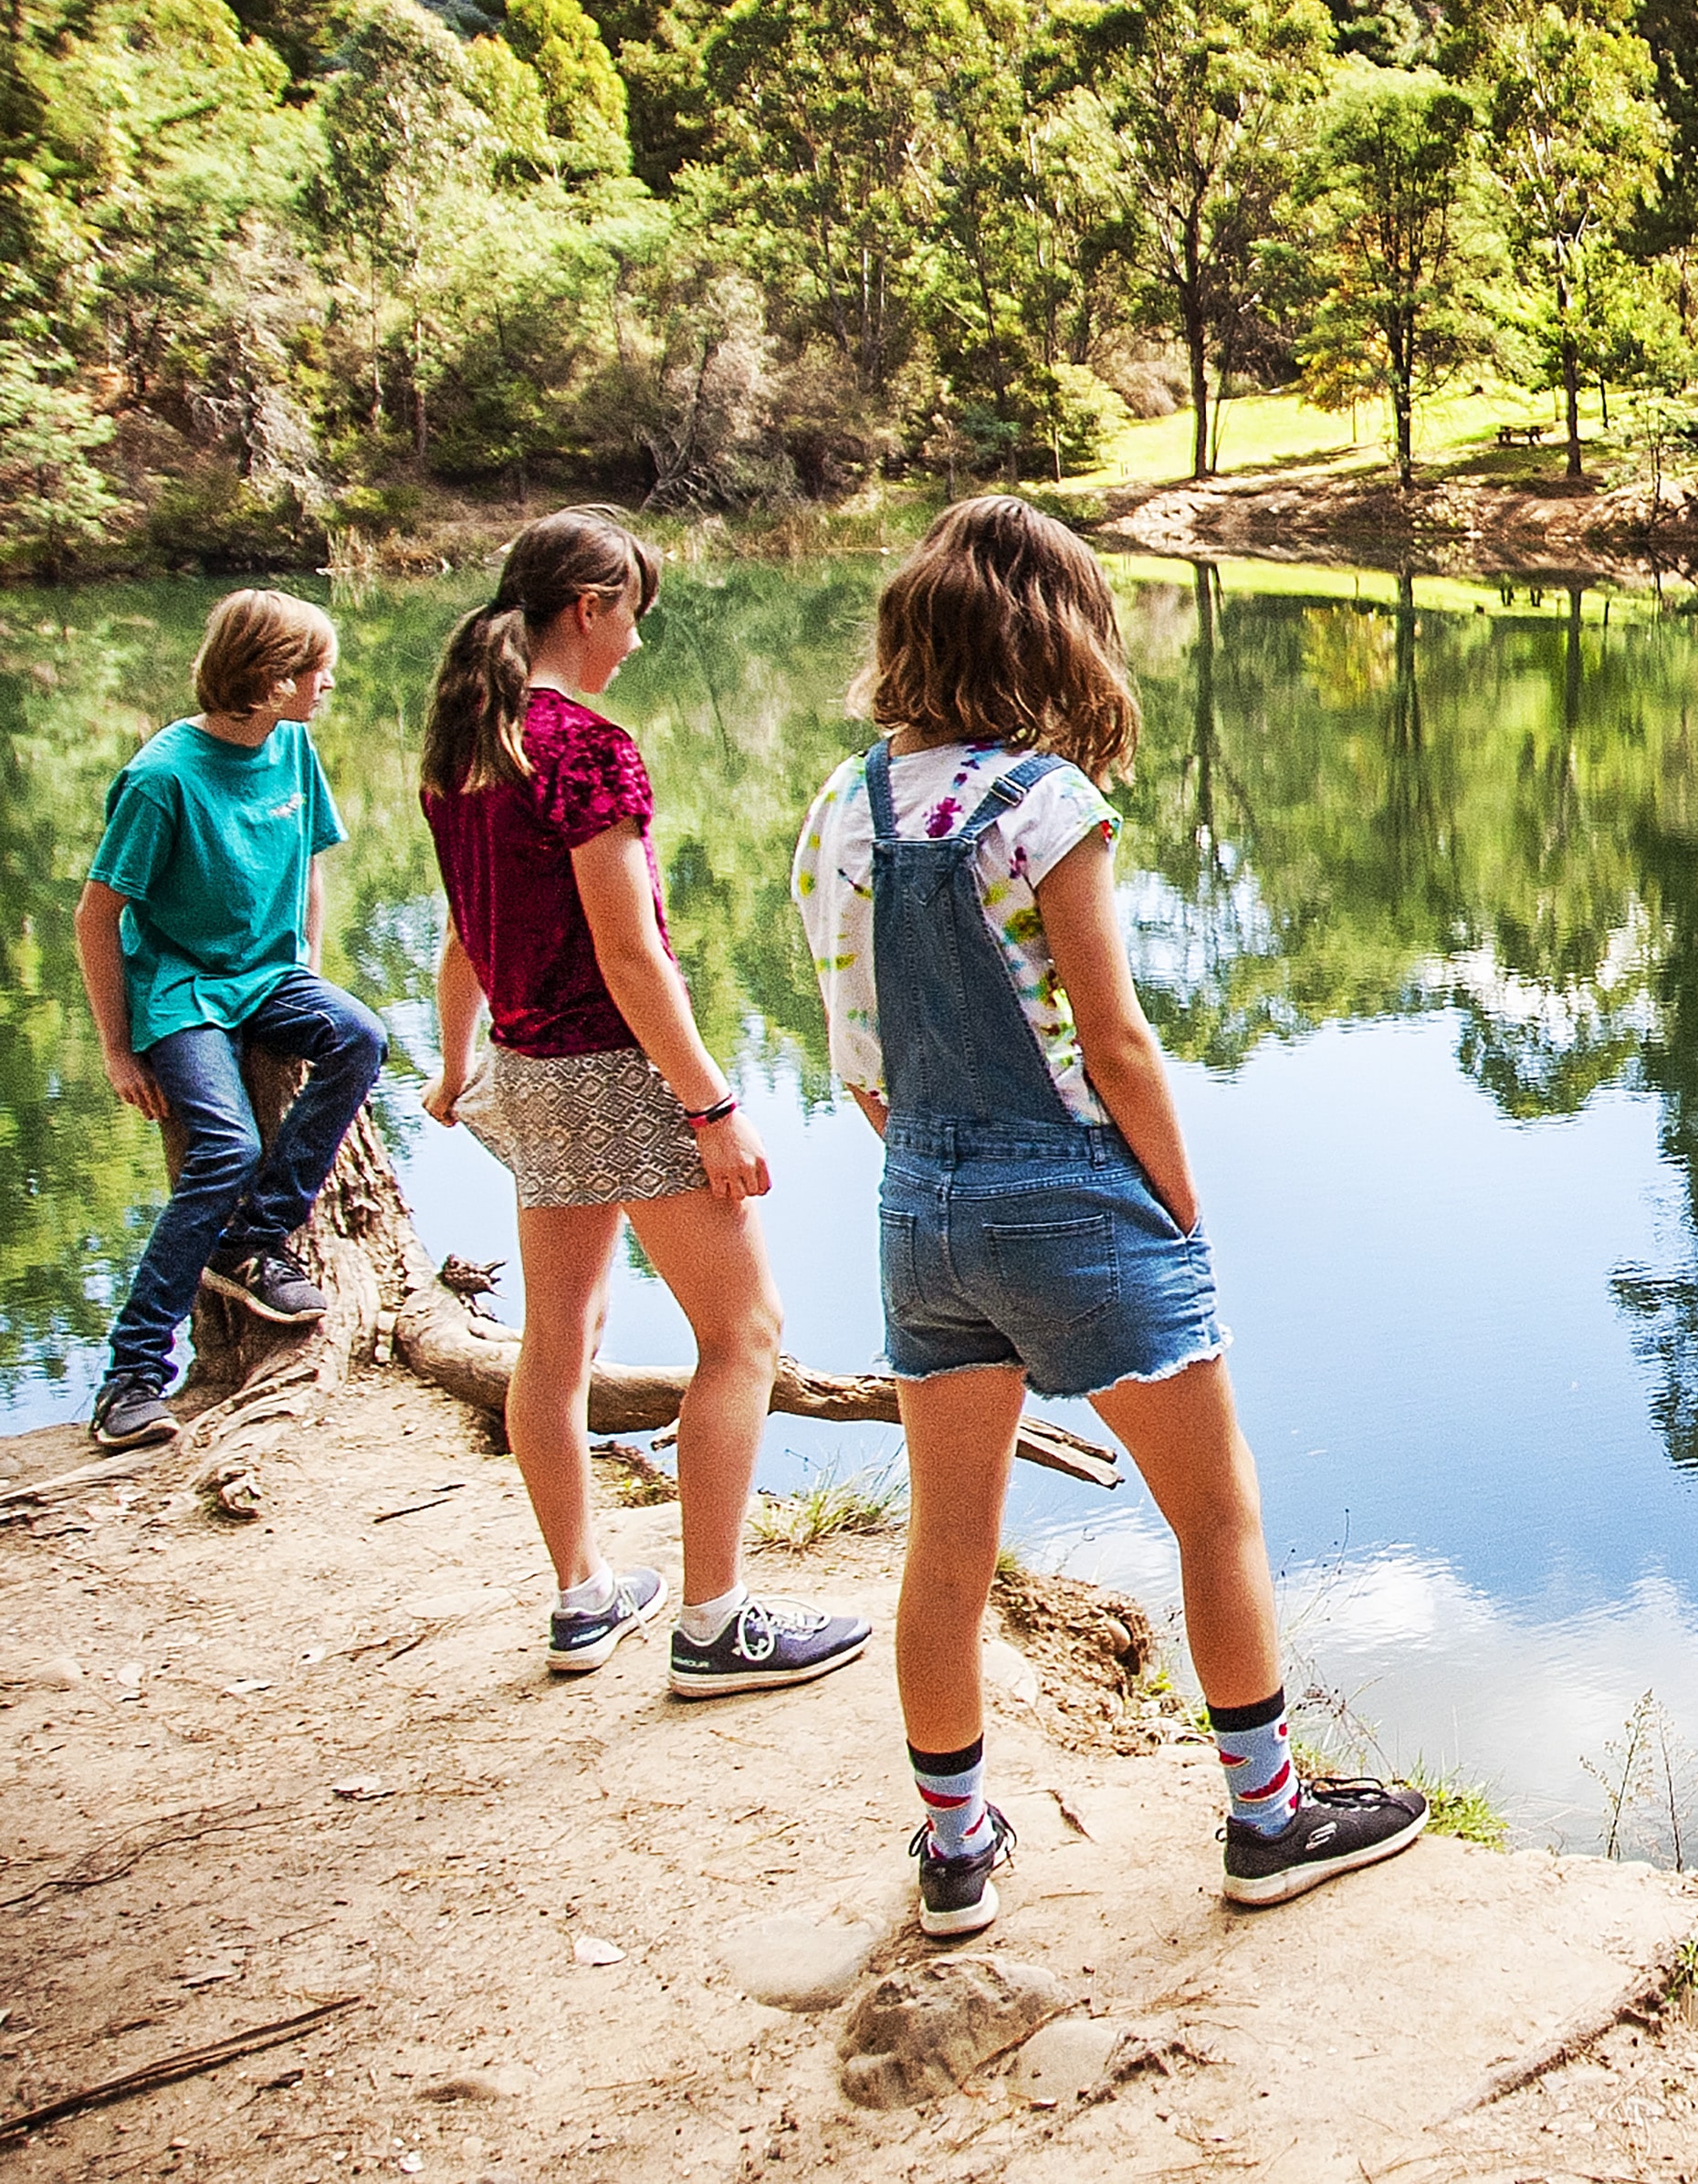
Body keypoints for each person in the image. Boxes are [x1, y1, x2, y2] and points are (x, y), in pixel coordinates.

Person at [793, 496, 1424, 1938]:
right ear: (1053, 639)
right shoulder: (1043, 804)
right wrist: (1174, 1202)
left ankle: (953, 1850)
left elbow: (856, 1047)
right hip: (1074, 1191)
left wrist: (933, 1169)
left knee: (947, 1540)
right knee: (1216, 1510)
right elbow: (1114, 1034)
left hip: (919, 1206)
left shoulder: (846, 803)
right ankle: (1267, 1818)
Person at [418, 507, 874, 1698]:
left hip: (528, 1072)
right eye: (632, 618)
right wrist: (713, 1106)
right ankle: (716, 1623)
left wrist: (454, 1062)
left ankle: (583, 1596)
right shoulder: (582, 747)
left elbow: (466, 939)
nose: (631, 645)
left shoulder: (467, 745)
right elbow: (631, 958)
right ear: (591, 603)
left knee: (559, 1340)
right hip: (618, 1072)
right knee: (744, 1335)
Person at [74, 590, 388, 1451]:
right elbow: (95, 917)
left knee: (359, 1034)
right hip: (180, 992)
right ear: (269, 677)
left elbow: (311, 869)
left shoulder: (293, 746)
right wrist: (115, 1046)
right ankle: (131, 1377)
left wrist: (305, 975)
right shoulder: (163, 777)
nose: (327, 682)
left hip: (267, 976)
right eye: (313, 668)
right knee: (226, 1148)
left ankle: (252, 1241)